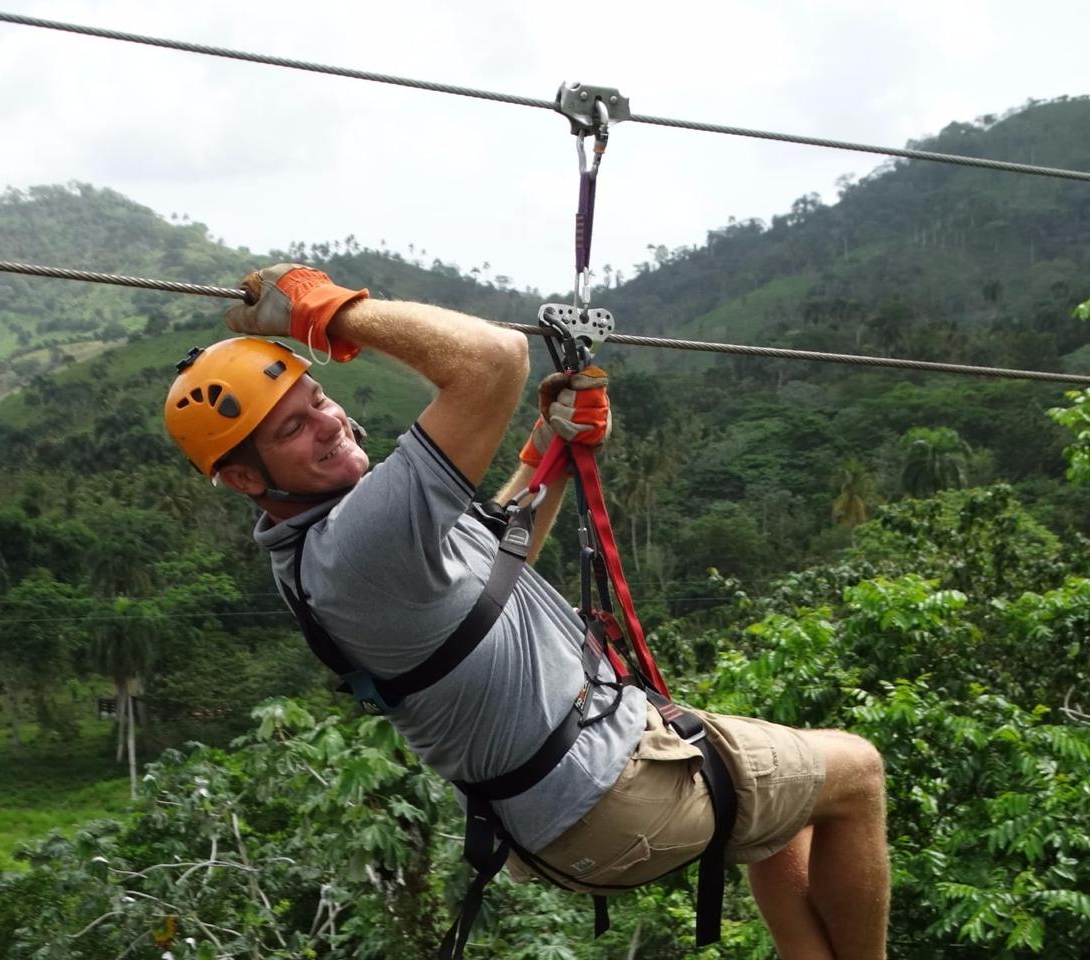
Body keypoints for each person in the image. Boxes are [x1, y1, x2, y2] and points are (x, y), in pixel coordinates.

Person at [163, 263, 890, 959]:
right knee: (857, 774)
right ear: (241, 477)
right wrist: (324, 310)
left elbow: (493, 560)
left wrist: (550, 443)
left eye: (316, 400)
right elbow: (493, 359)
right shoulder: (354, 544)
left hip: (550, 820)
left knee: (790, 814)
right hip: (609, 793)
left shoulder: (321, 552)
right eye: (291, 430)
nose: (327, 423)